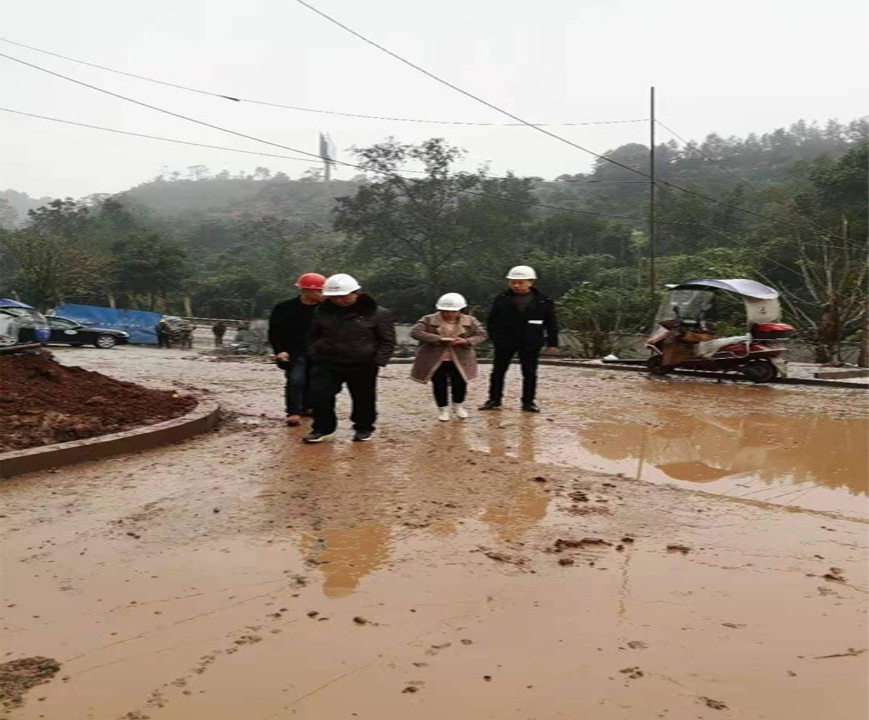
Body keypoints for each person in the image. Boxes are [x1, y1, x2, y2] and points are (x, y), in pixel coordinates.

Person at [303, 273, 396, 443]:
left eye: (343, 296)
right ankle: (321, 428)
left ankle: (363, 428)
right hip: (328, 361)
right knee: (320, 395)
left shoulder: (378, 313)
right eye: (334, 297)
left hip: (362, 363)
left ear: (356, 293)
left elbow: (387, 341)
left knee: (363, 397)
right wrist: (314, 353)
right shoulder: (322, 311)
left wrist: (377, 361)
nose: (339, 300)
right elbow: (312, 334)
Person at [479, 265, 559, 413]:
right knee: (498, 371)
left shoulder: (544, 300)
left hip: (531, 341)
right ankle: (494, 399)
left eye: (520, 282)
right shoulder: (501, 299)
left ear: (530, 282)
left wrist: (552, 343)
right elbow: (492, 321)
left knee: (529, 372)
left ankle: (528, 402)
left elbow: (551, 322)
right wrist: (496, 338)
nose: (516, 285)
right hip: (505, 341)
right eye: (513, 282)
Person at [410, 293, 486, 421]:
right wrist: (438, 339)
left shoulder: (470, 321)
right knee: (439, 384)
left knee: (460, 383)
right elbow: (415, 332)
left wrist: (466, 341)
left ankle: (458, 406)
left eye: (453, 311)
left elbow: (482, 335)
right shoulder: (428, 320)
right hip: (435, 358)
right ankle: (443, 409)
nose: (449, 314)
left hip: (460, 358)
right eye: (445, 311)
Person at [268, 273, 326, 426]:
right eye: (319, 291)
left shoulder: (328, 310)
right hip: (294, 350)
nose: (323, 294)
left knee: (316, 380)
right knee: (296, 379)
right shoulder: (284, 308)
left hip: (319, 351)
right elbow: (276, 332)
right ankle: (294, 412)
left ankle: (309, 406)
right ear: (306, 290)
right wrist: (280, 350)